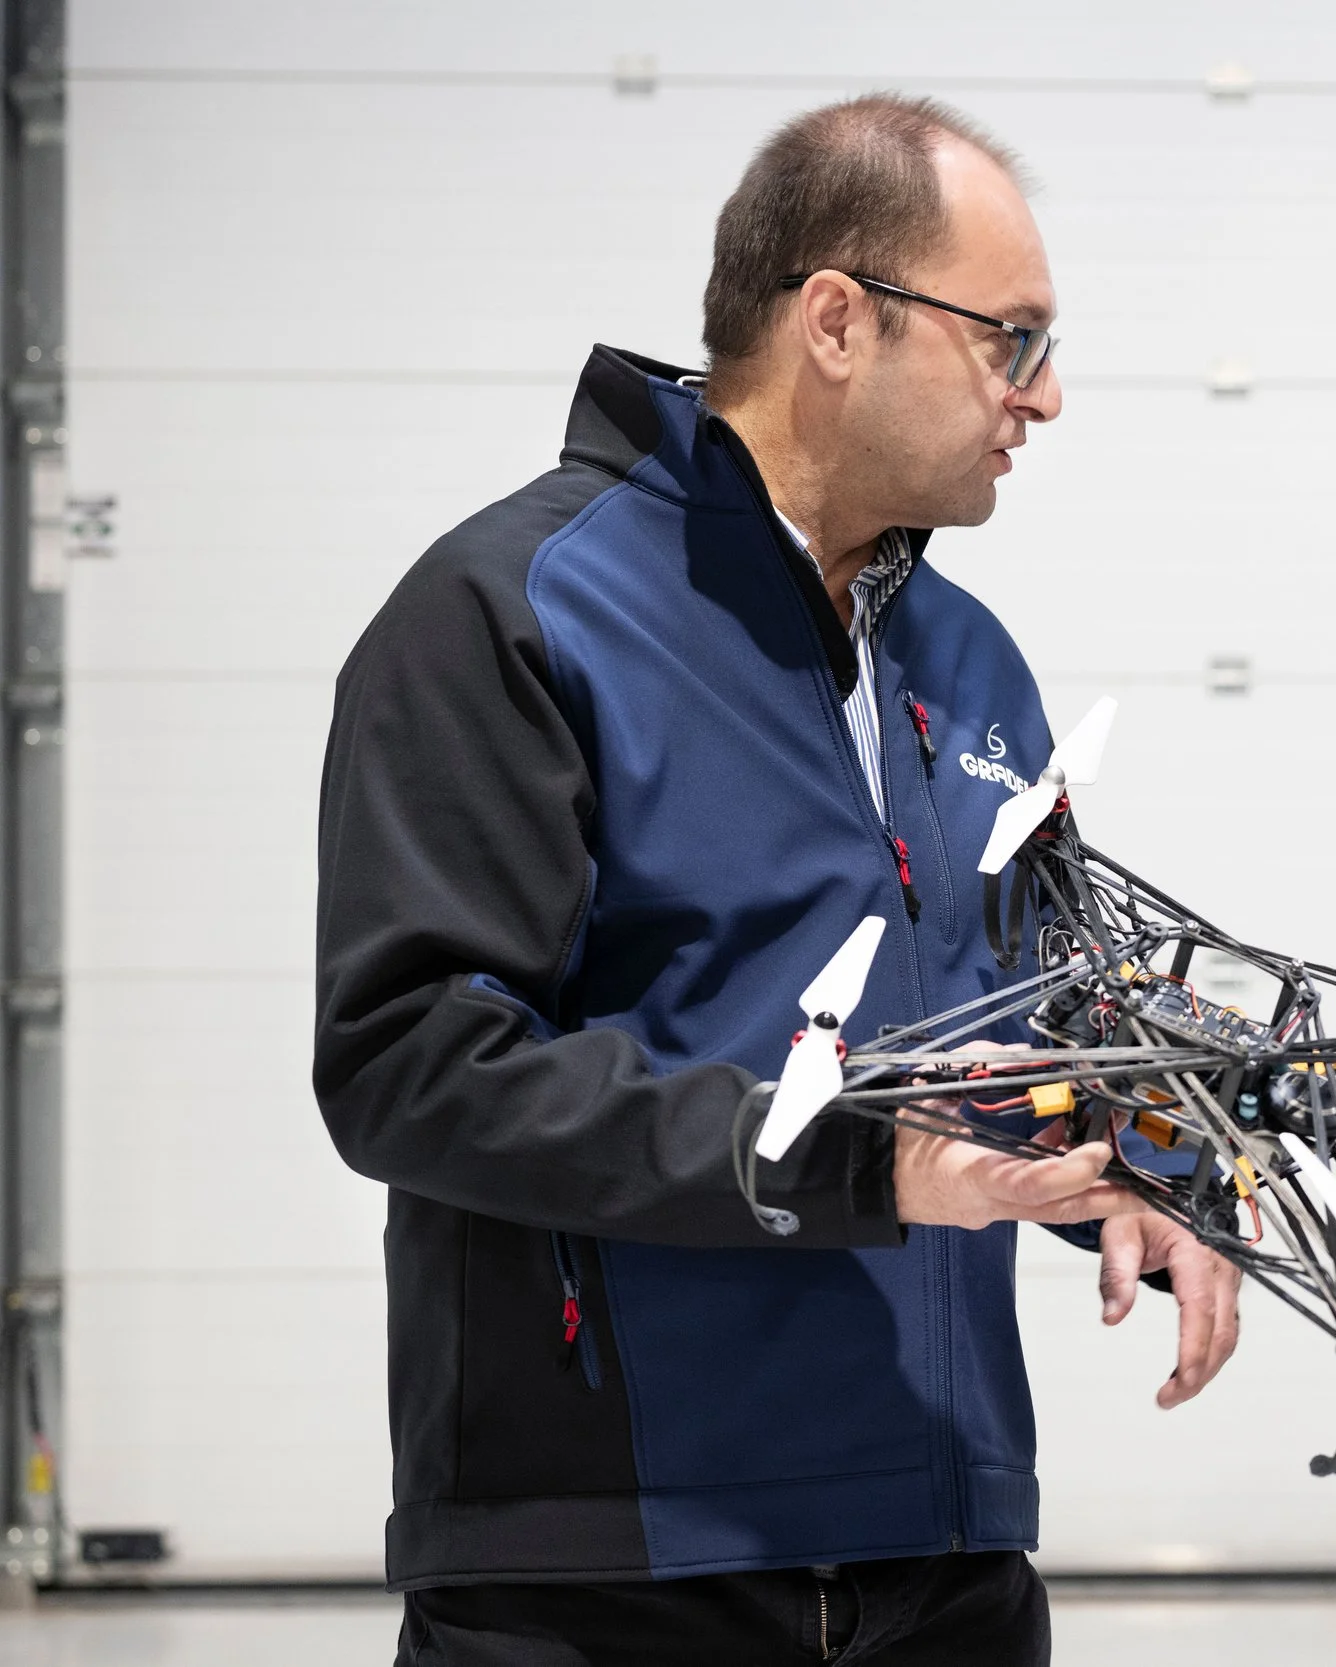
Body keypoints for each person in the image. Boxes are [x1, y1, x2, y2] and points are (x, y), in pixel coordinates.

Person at [314, 95, 1240, 1666]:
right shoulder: (516, 611)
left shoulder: (972, 661)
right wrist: (851, 1158)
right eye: (1011, 341)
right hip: (614, 1572)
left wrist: (1157, 1167)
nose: (1049, 396)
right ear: (836, 322)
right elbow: (414, 1069)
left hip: (949, 1560)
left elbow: (1044, 1014)